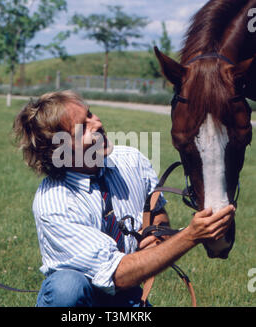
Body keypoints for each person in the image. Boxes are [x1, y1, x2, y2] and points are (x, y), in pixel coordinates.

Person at [13, 90, 235, 307]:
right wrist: (191, 236)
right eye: (83, 127)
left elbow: (157, 212)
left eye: (90, 114)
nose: (97, 123)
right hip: (87, 295)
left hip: (127, 293)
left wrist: (157, 235)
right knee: (66, 287)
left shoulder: (131, 160)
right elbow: (117, 275)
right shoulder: (54, 203)